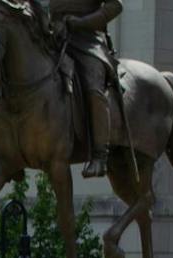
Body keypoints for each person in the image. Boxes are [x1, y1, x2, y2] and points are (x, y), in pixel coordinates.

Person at [44, 0, 123, 177]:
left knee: (94, 90)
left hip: (87, 42)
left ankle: (99, 155)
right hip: (52, 39)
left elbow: (115, 6)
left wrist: (82, 23)